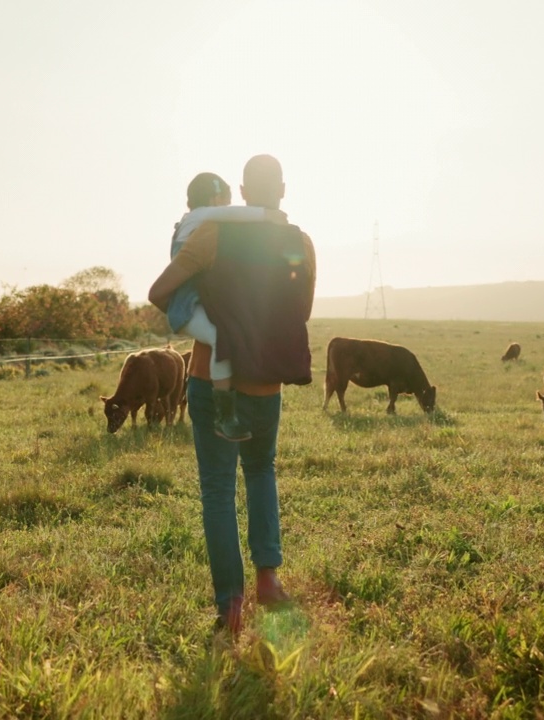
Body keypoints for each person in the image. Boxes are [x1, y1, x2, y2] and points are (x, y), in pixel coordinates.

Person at [148, 154, 316, 635]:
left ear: (241, 192)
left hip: (209, 380)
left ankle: (230, 606)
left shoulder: (212, 235)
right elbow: (298, 312)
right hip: (266, 383)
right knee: (262, 471)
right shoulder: (300, 242)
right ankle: (269, 580)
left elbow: (161, 290)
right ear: (282, 189)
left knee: (218, 492)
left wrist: (207, 314)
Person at [166, 172, 287, 442]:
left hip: (192, 303)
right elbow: (238, 216)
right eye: (227, 201)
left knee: (222, 335)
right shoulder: (200, 217)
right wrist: (267, 215)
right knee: (221, 340)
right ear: (215, 198)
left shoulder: (192, 220)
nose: (227, 208)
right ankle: (224, 416)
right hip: (186, 306)